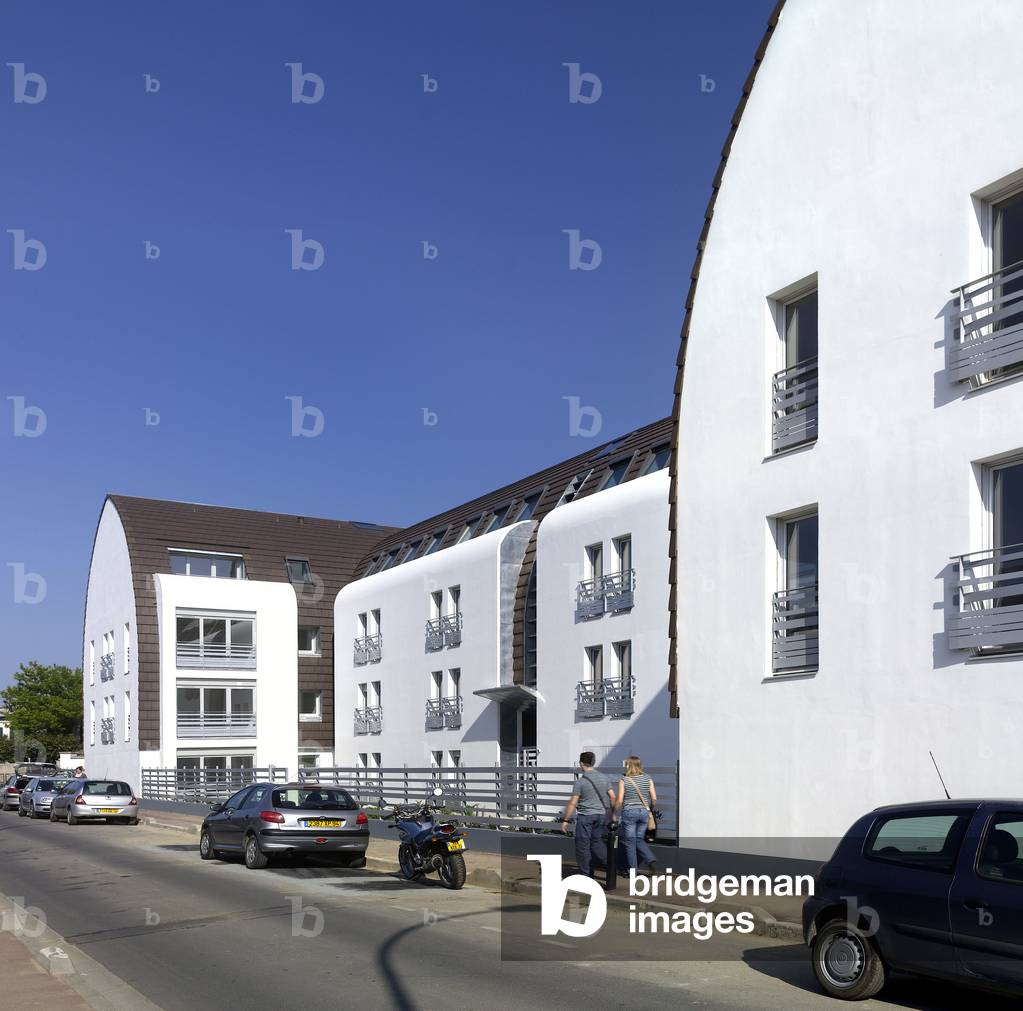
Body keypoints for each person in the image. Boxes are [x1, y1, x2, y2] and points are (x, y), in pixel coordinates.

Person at [561, 751, 616, 879]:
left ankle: (586, 875)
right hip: (601, 815)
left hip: (586, 816)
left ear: (581, 763)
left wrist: (566, 820)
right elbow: (613, 797)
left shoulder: (580, 782)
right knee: (596, 842)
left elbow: (572, 803)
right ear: (593, 762)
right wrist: (612, 814)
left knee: (582, 846)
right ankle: (611, 865)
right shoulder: (604, 778)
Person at [615, 755, 658, 873]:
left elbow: (619, 800)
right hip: (644, 812)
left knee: (630, 842)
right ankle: (650, 859)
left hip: (629, 812)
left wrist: (614, 812)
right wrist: (650, 809)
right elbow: (654, 799)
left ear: (628, 766)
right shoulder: (648, 778)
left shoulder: (624, 779)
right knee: (639, 839)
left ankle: (632, 872)